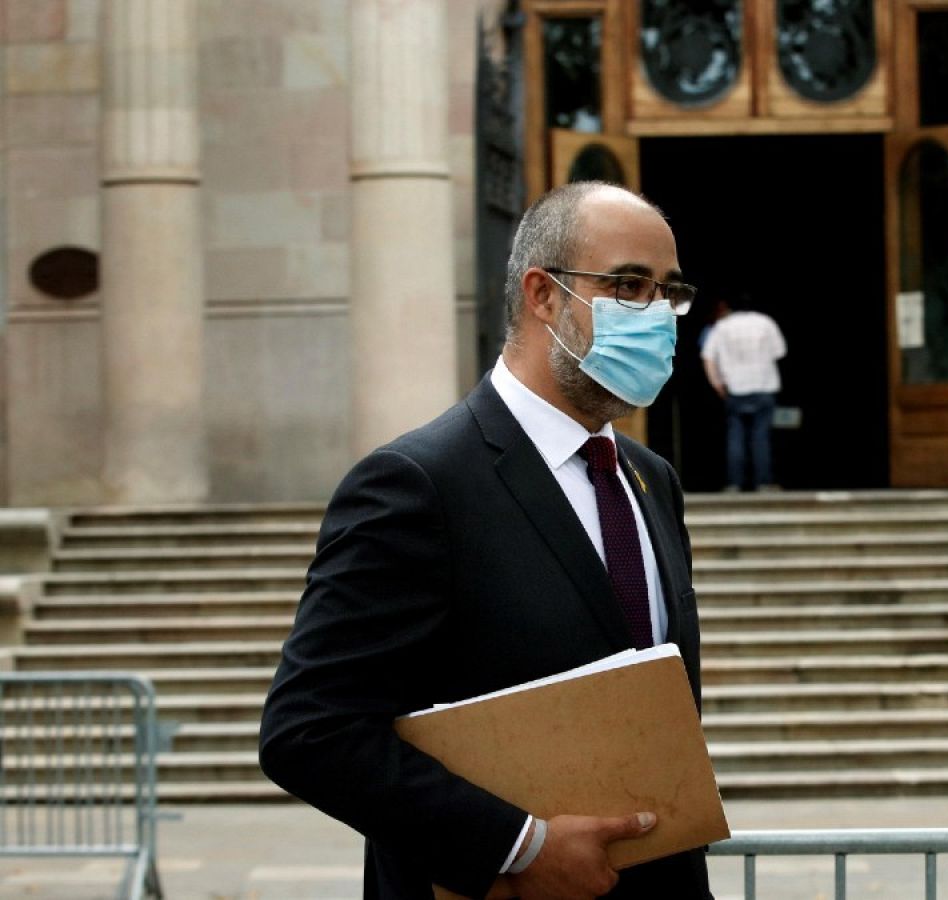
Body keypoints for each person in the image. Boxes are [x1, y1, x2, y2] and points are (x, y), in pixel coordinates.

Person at [259, 182, 712, 900]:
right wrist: (516, 847)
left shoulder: (650, 479)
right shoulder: (417, 484)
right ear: (543, 296)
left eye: (669, 291)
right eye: (629, 284)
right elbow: (310, 732)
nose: (656, 314)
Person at [700, 295, 786, 492]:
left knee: (735, 436)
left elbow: (707, 356)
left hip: (735, 388)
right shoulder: (766, 322)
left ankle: (734, 483)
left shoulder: (722, 327)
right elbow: (779, 352)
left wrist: (716, 383)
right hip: (764, 386)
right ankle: (763, 483)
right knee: (761, 436)